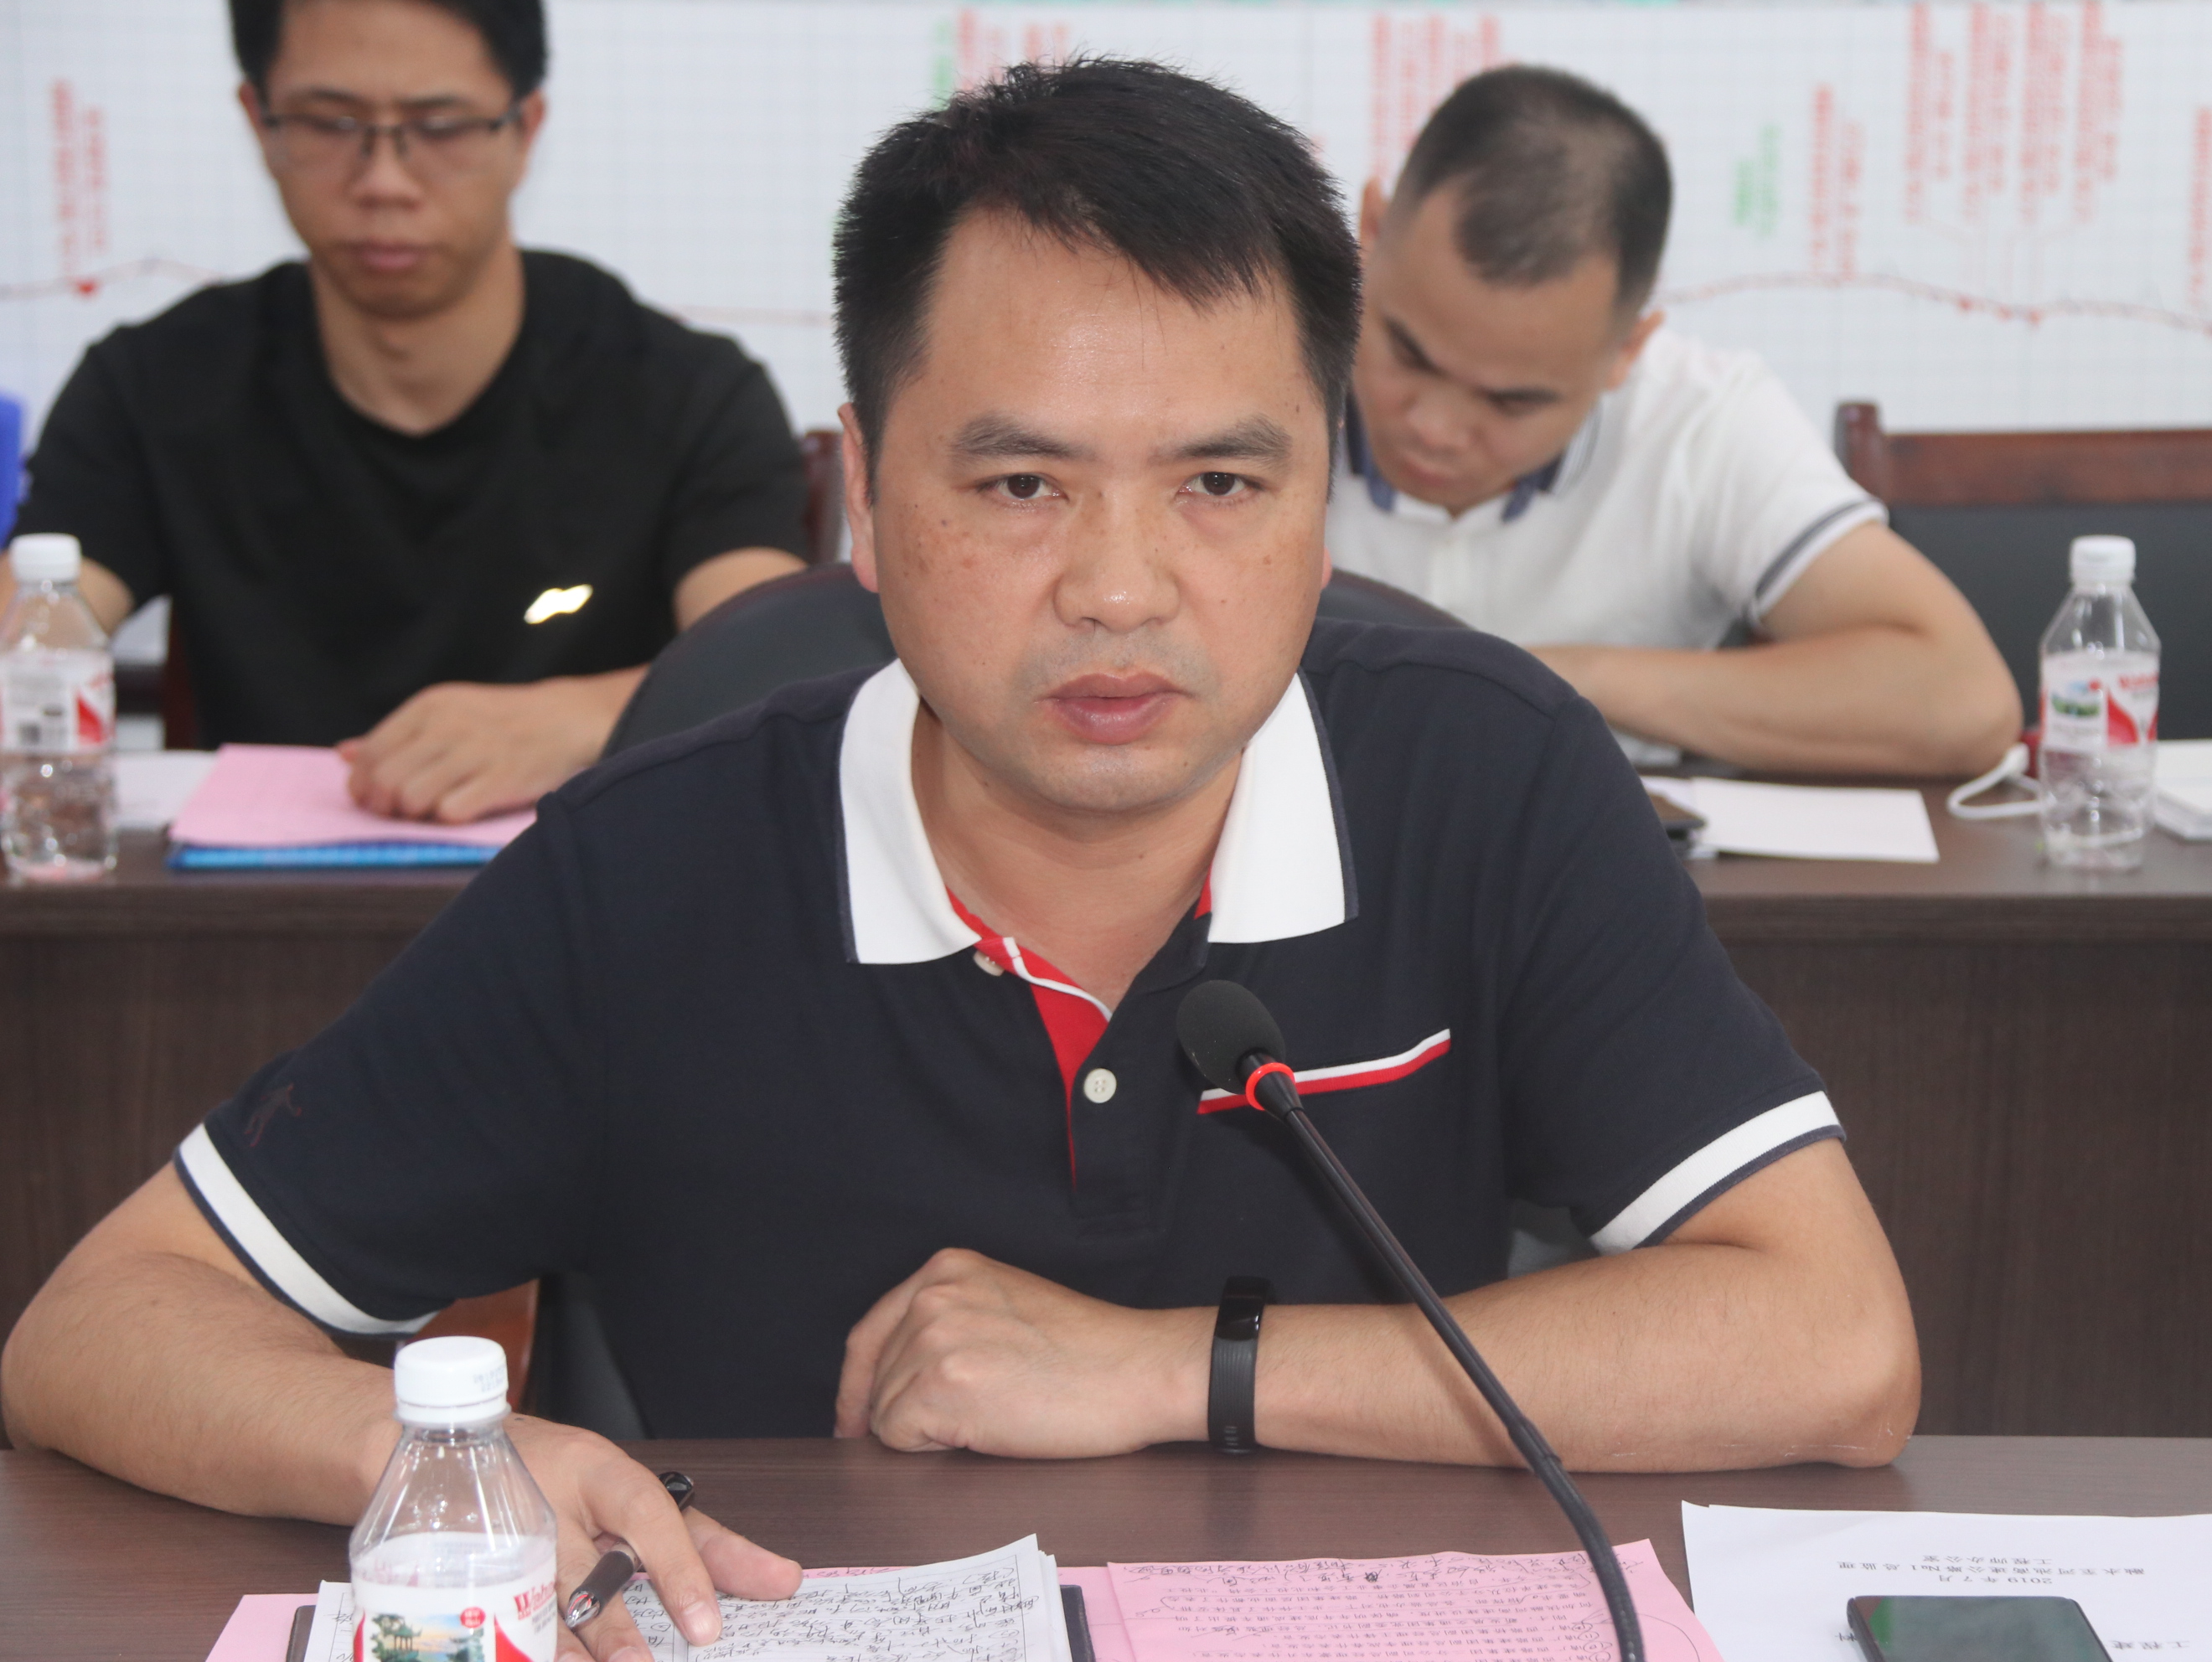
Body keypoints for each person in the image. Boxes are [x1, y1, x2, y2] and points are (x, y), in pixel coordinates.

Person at [3, 59, 1919, 1662]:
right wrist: (447, 1468)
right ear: (864, 492)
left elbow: (1833, 1344)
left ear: (1319, 497)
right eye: (1020, 483)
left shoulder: (1486, 778)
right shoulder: (652, 867)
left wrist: (1178, 1369)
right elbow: (97, 1326)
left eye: (1221, 483)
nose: (1119, 588)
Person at [3, 0, 807, 823]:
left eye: (441, 126)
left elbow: (774, 664)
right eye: (329, 122)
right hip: (250, 894)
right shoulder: (151, 387)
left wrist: (585, 717)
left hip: (593, 888)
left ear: (525, 129)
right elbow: (29, 637)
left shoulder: (689, 395)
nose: (384, 182)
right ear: (259, 123)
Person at [1331, 66, 2019, 776]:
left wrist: (1538, 680)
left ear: (1627, 349)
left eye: (1512, 402)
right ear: (1370, 233)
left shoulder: (1697, 422)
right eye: (1409, 354)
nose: (1436, 427)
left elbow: (1962, 700)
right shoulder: (1269, 376)